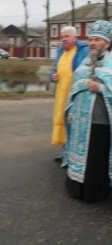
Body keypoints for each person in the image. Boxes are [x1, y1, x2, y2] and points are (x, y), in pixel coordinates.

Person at [64, 20, 112, 202]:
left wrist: (101, 88)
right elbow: (74, 90)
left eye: (97, 39)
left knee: (97, 157)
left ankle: (95, 191)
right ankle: (77, 188)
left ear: (107, 43)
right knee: (81, 154)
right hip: (81, 120)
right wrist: (71, 111)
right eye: (91, 39)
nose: (92, 43)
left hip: (102, 121)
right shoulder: (84, 64)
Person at [49, 26, 89, 163]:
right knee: (63, 122)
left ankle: (75, 158)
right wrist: (51, 76)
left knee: (74, 124)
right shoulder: (60, 51)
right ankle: (66, 154)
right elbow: (53, 69)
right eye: (62, 37)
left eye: (66, 36)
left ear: (75, 38)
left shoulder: (83, 51)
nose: (63, 39)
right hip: (61, 94)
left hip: (75, 95)